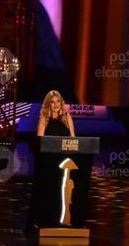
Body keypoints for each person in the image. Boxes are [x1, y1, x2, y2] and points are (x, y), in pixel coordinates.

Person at [29, 90, 76, 228]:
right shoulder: (44, 118)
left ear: (61, 103)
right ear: (48, 104)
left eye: (58, 101)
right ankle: (45, 219)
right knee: (48, 190)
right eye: (52, 102)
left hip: (64, 161)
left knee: (61, 191)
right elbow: (40, 141)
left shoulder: (67, 117)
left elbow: (73, 139)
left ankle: (60, 220)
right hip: (48, 161)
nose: (55, 104)